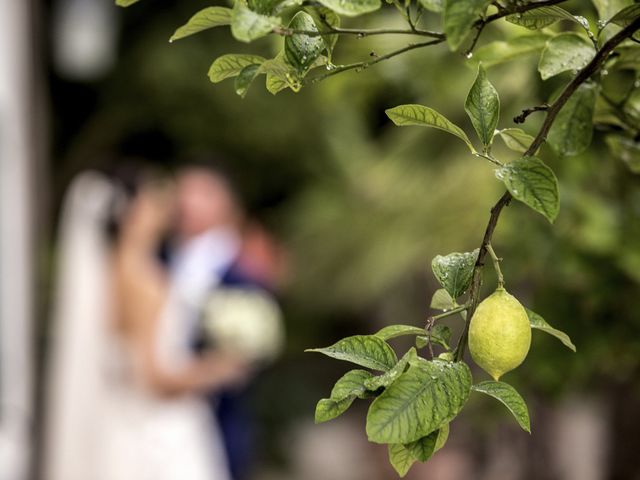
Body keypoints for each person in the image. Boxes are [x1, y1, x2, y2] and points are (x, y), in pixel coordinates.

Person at [44, 168, 249, 480]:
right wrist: (216, 370)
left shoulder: (105, 275)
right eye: (152, 200)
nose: (166, 208)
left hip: (116, 422)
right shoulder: (146, 281)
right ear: (132, 212)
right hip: (159, 430)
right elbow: (153, 377)